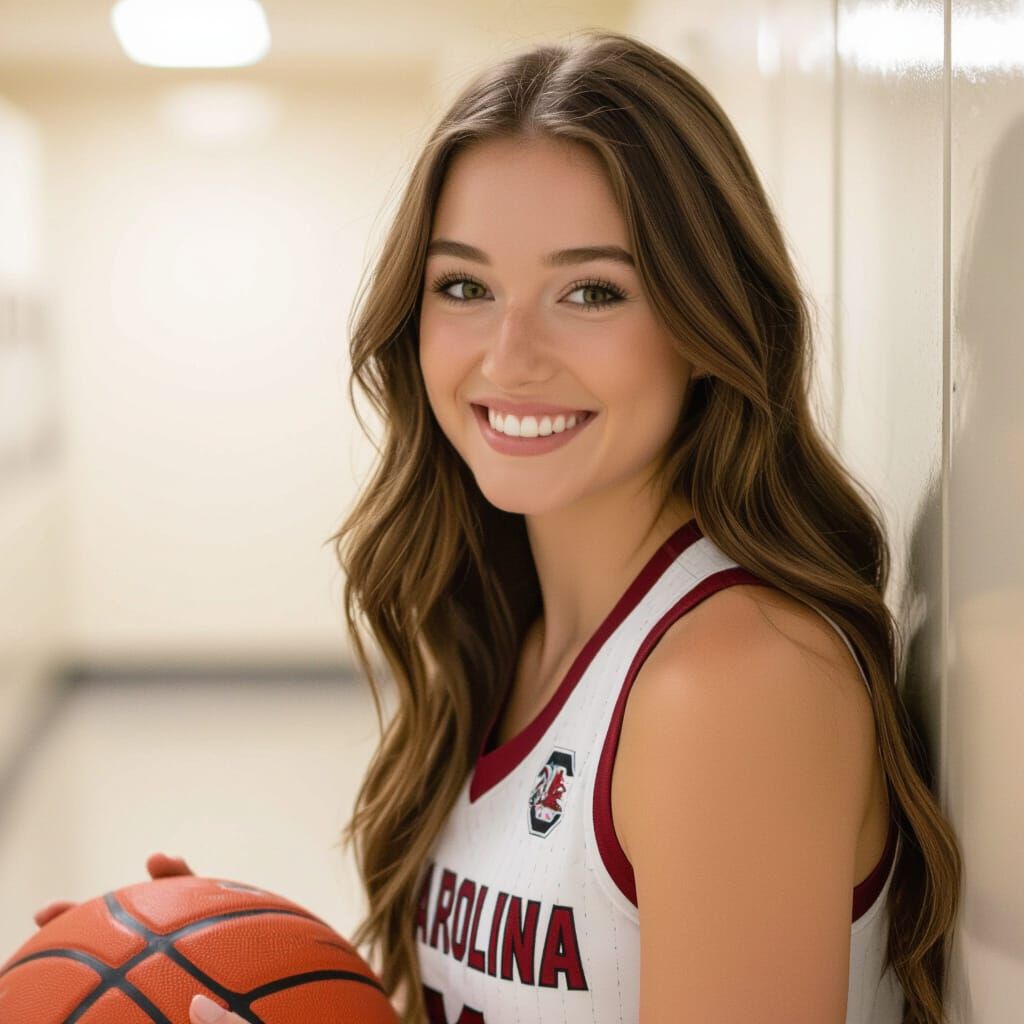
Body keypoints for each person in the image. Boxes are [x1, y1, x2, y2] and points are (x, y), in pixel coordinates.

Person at [34, 28, 962, 1024]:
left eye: (591, 291)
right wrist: (230, 968)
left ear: (706, 323)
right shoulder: (507, 635)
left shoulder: (734, 677)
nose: (510, 355)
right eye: (465, 287)